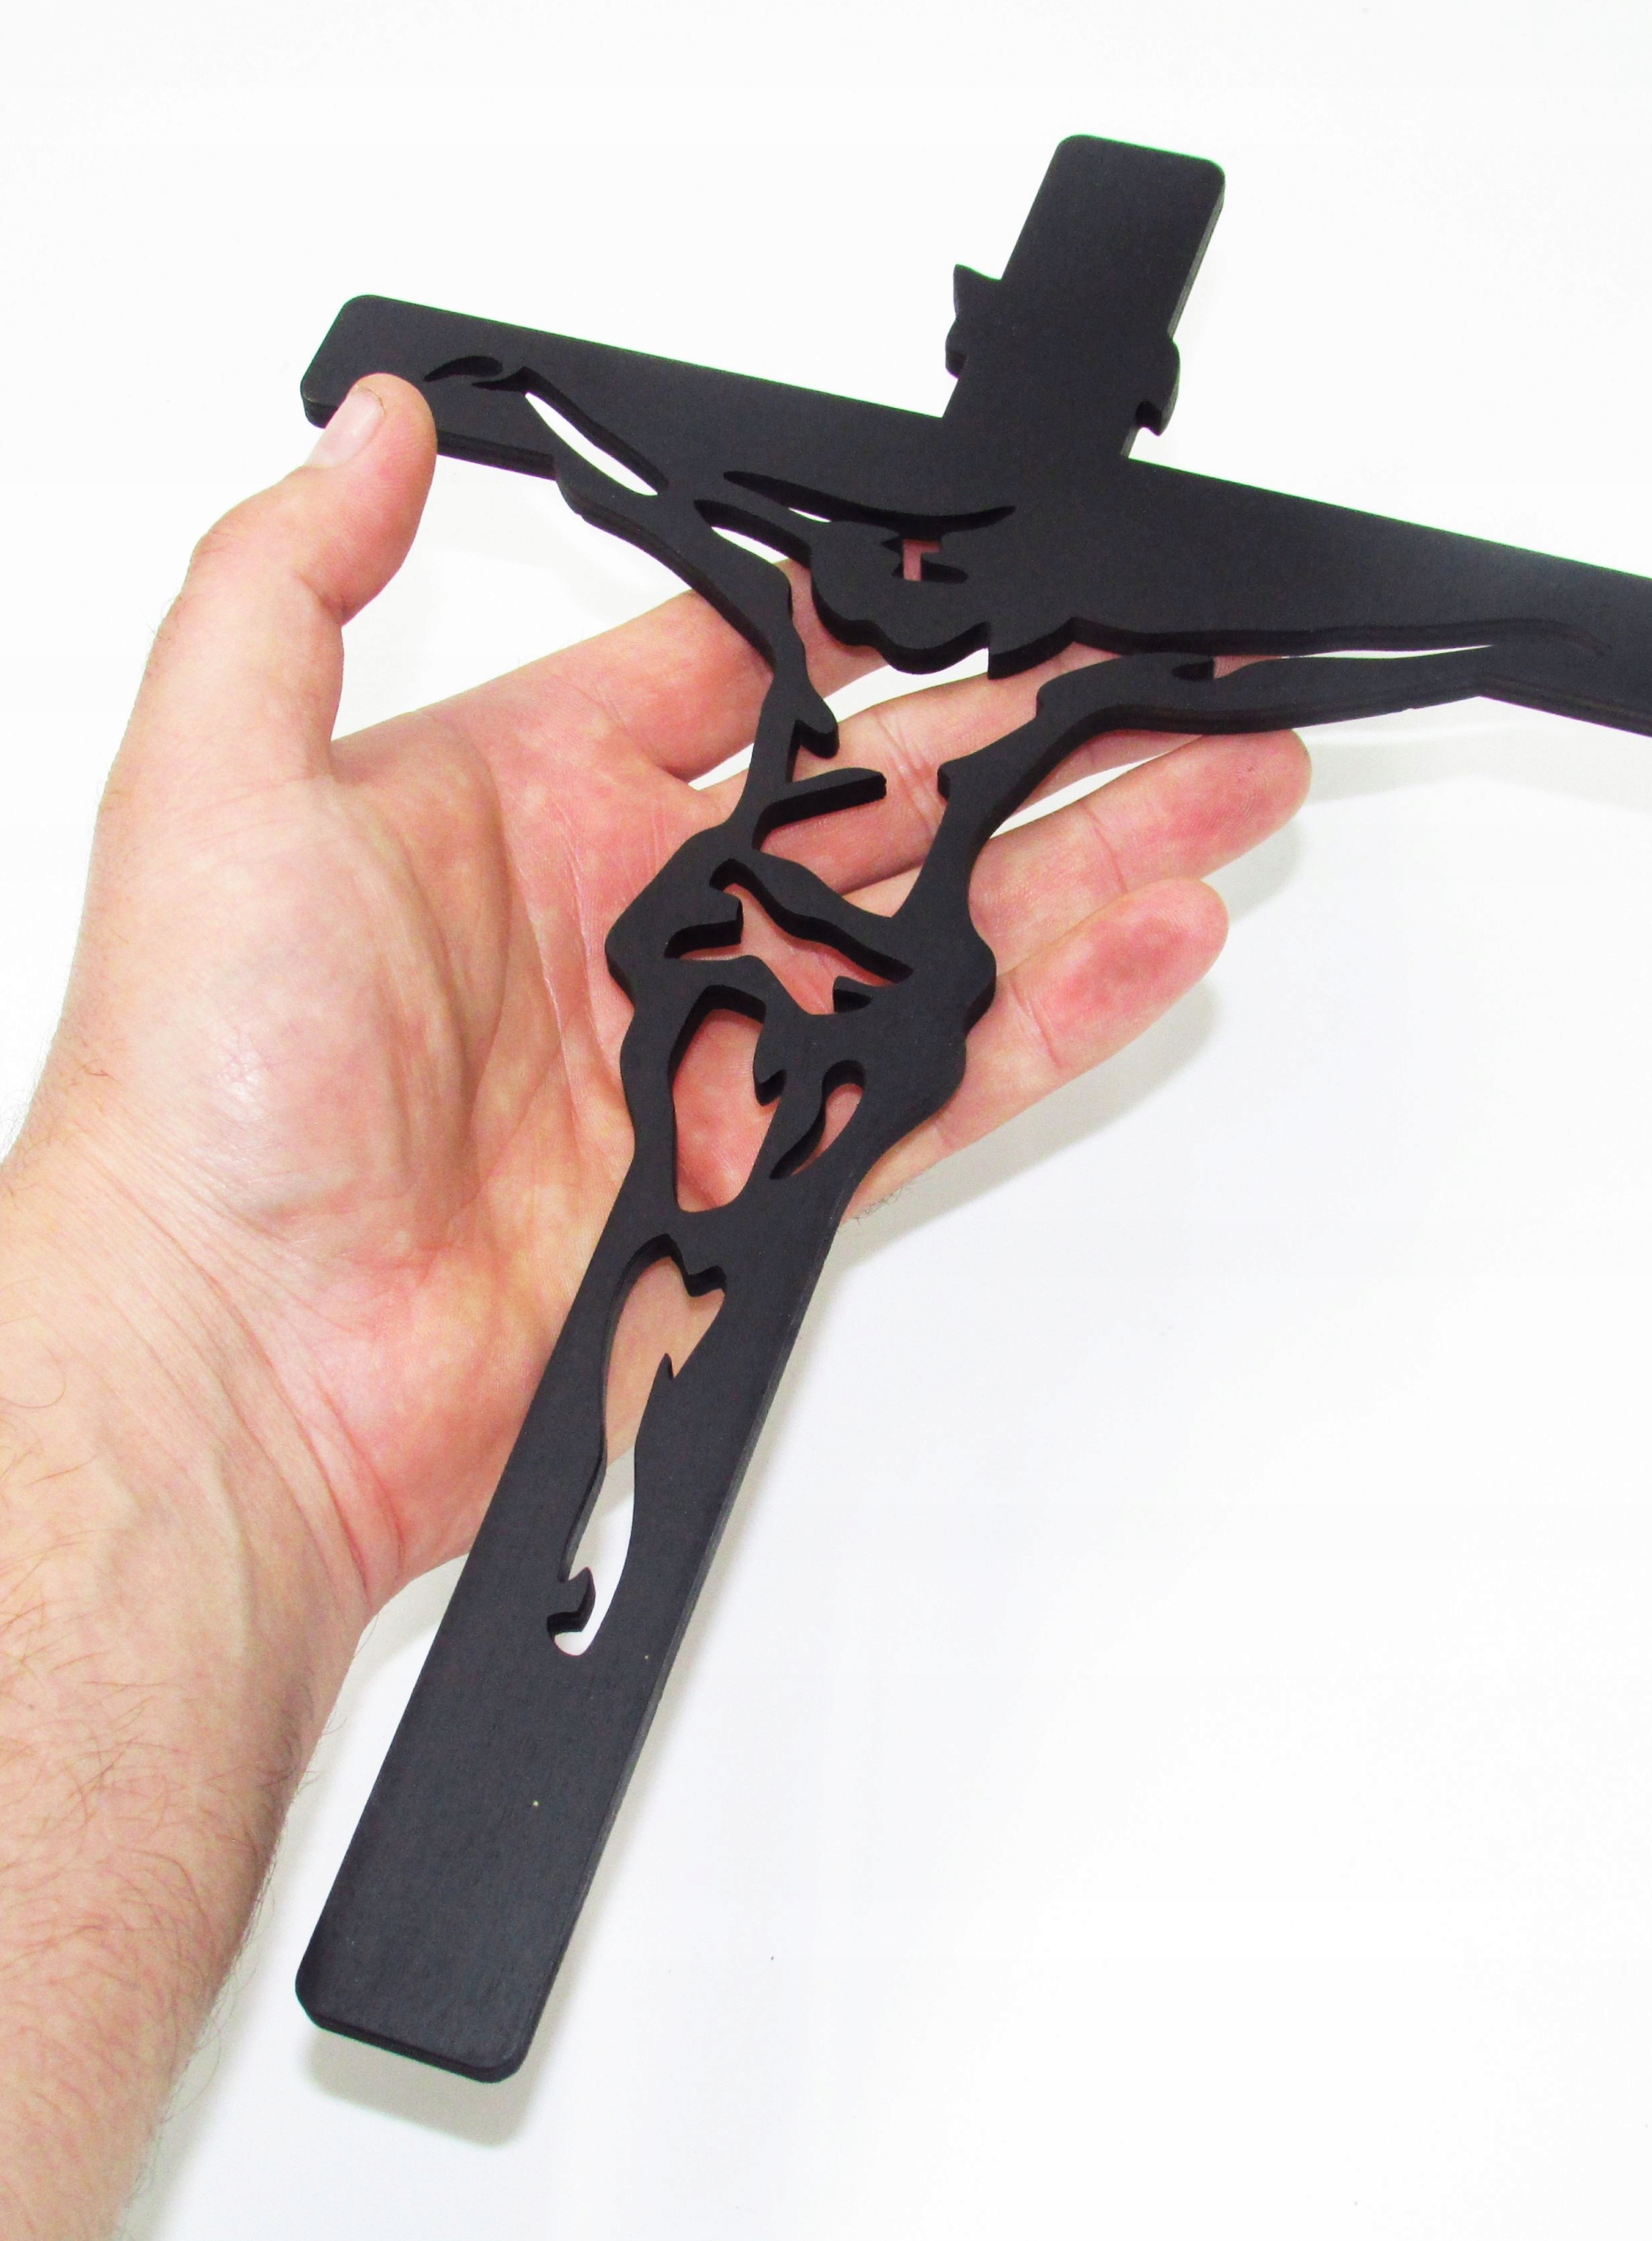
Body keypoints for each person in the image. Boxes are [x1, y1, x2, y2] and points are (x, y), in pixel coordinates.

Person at [0, 377, 1309, 2239]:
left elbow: (1463, 627)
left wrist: (1435, 623)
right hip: (722, 995)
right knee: (654, 1298)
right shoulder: (784, 580)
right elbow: (596, 432)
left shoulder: (1037, 689)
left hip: (846, 1025)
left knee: (695, 1335)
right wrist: (184, 1313)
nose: (923, 589)